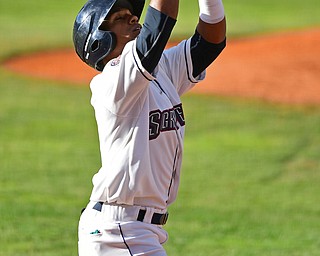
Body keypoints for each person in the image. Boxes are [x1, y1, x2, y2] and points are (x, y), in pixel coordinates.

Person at [73, 0, 226, 254]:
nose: (134, 18)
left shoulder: (159, 70)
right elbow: (159, 25)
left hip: (133, 230)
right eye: (121, 17)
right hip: (118, 231)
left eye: (131, 14)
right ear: (101, 41)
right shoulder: (113, 82)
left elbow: (210, 43)